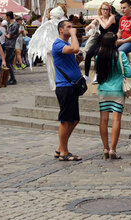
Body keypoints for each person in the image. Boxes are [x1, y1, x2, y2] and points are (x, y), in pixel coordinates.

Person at [95, 32, 131, 160]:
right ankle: (113, 149)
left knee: (103, 120)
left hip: (103, 90)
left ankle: (105, 148)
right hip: (117, 90)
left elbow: (98, 72)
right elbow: (129, 72)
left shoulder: (98, 56)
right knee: (116, 120)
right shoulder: (120, 55)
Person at [52, 20, 83, 161]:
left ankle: (60, 147)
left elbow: (70, 60)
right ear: (61, 30)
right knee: (65, 120)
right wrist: (74, 35)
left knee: (75, 119)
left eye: (72, 27)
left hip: (72, 86)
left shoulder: (65, 45)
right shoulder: (58, 44)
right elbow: (75, 48)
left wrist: (78, 61)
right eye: (68, 27)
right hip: (64, 86)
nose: (71, 29)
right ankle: (64, 152)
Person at [83, 2, 118, 78]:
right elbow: (86, 28)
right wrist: (91, 25)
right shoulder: (100, 18)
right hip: (100, 40)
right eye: (104, 9)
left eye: (107, 9)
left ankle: (97, 73)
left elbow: (105, 26)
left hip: (109, 40)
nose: (105, 11)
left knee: (97, 54)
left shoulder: (112, 17)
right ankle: (86, 75)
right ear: (101, 10)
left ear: (109, 10)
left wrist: (98, 19)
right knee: (88, 54)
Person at [3, 11, 19, 85]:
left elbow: (9, 36)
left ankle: (12, 78)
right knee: (8, 61)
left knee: (8, 61)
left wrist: (5, 34)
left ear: (9, 17)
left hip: (11, 45)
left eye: (6, 17)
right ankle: (11, 78)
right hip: (9, 44)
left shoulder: (15, 25)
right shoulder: (11, 24)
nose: (5, 18)